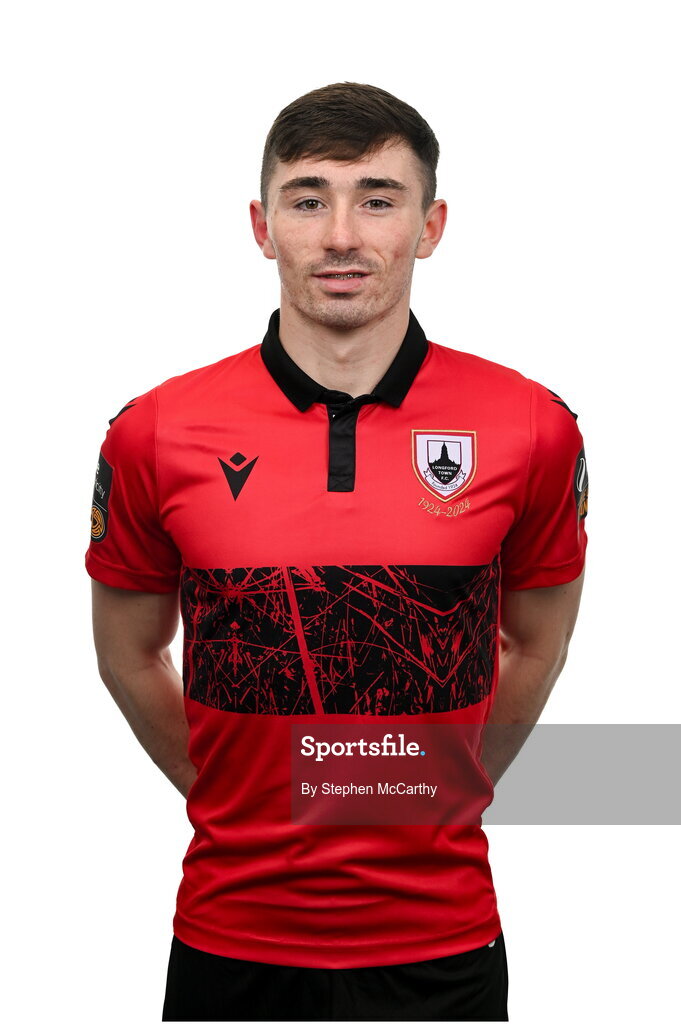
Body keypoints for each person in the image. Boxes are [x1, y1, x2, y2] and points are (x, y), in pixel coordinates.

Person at [85, 82, 588, 1022]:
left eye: (378, 198)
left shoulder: (530, 427)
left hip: (442, 945)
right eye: (308, 198)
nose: (342, 235)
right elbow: (128, 653)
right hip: (228, 941)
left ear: (430, 225)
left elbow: (535, 645)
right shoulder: (155, 431)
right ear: (261, 224)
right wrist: (231, 798)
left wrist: (437, 791)